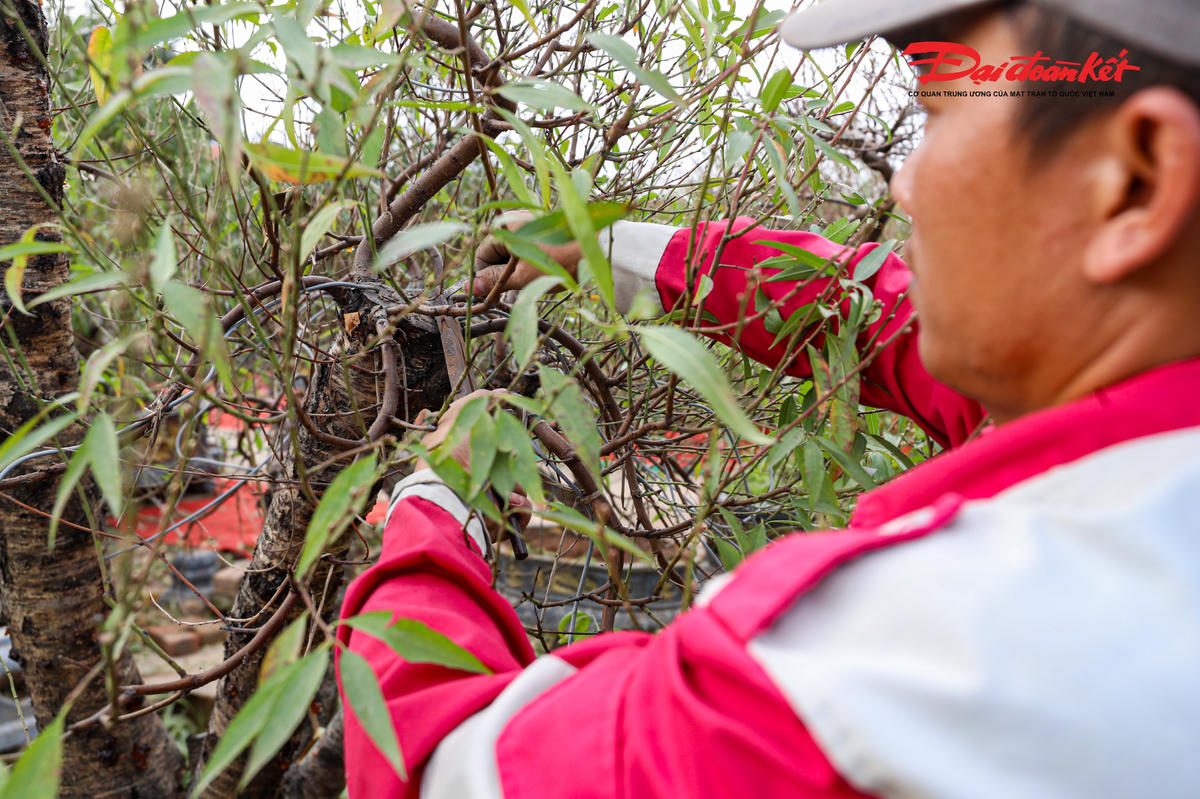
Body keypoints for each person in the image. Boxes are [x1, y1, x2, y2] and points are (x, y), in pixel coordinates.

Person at [338, 0, 1200, 796]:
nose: (904, 184)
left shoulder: (911, 658)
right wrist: (604, 249)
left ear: (1136, 178)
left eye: (938, 113)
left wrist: (437, 496)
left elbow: (442, 765)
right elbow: (868, 317)